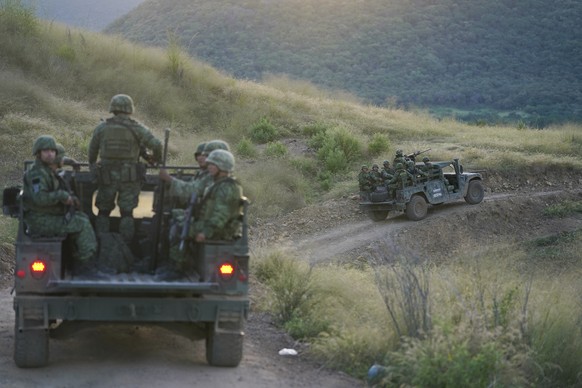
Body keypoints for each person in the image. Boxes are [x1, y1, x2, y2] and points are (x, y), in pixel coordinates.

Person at [158, 149, 244, 280]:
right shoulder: (216, 181)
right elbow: (195, 191)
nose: (209, 167)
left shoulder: (227, 188)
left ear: (222, 167)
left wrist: (205, 232)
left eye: (212, 164)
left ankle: (178, 268)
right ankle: (172, 263)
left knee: (179, 228)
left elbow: (221, 215)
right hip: (212, 225)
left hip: (220, 230)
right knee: (176, 218)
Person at [88, 94, 162, 243]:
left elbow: (92, 150)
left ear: (112, 109)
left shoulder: (102, 127)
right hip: (130, 176)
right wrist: (157, 160)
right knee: (127, 212)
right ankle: (126, 245)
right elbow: (157, 144)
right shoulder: (137, 128)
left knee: (103, 211)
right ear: (130, 109)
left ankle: (101, 243)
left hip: (107, 175)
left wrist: (93, 166)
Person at [22, 135, 98, 278]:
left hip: (48, 217)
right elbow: (40, 199)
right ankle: (86, 269)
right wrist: (63, 196)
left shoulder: (46, 171)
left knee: (81, 217)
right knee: (82, 224)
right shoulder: (37, 174)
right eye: (46, 151)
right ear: (38, 153)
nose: (50, 153)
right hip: (41, 221)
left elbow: (61, 160)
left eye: (52, 150)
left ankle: (77, 263)